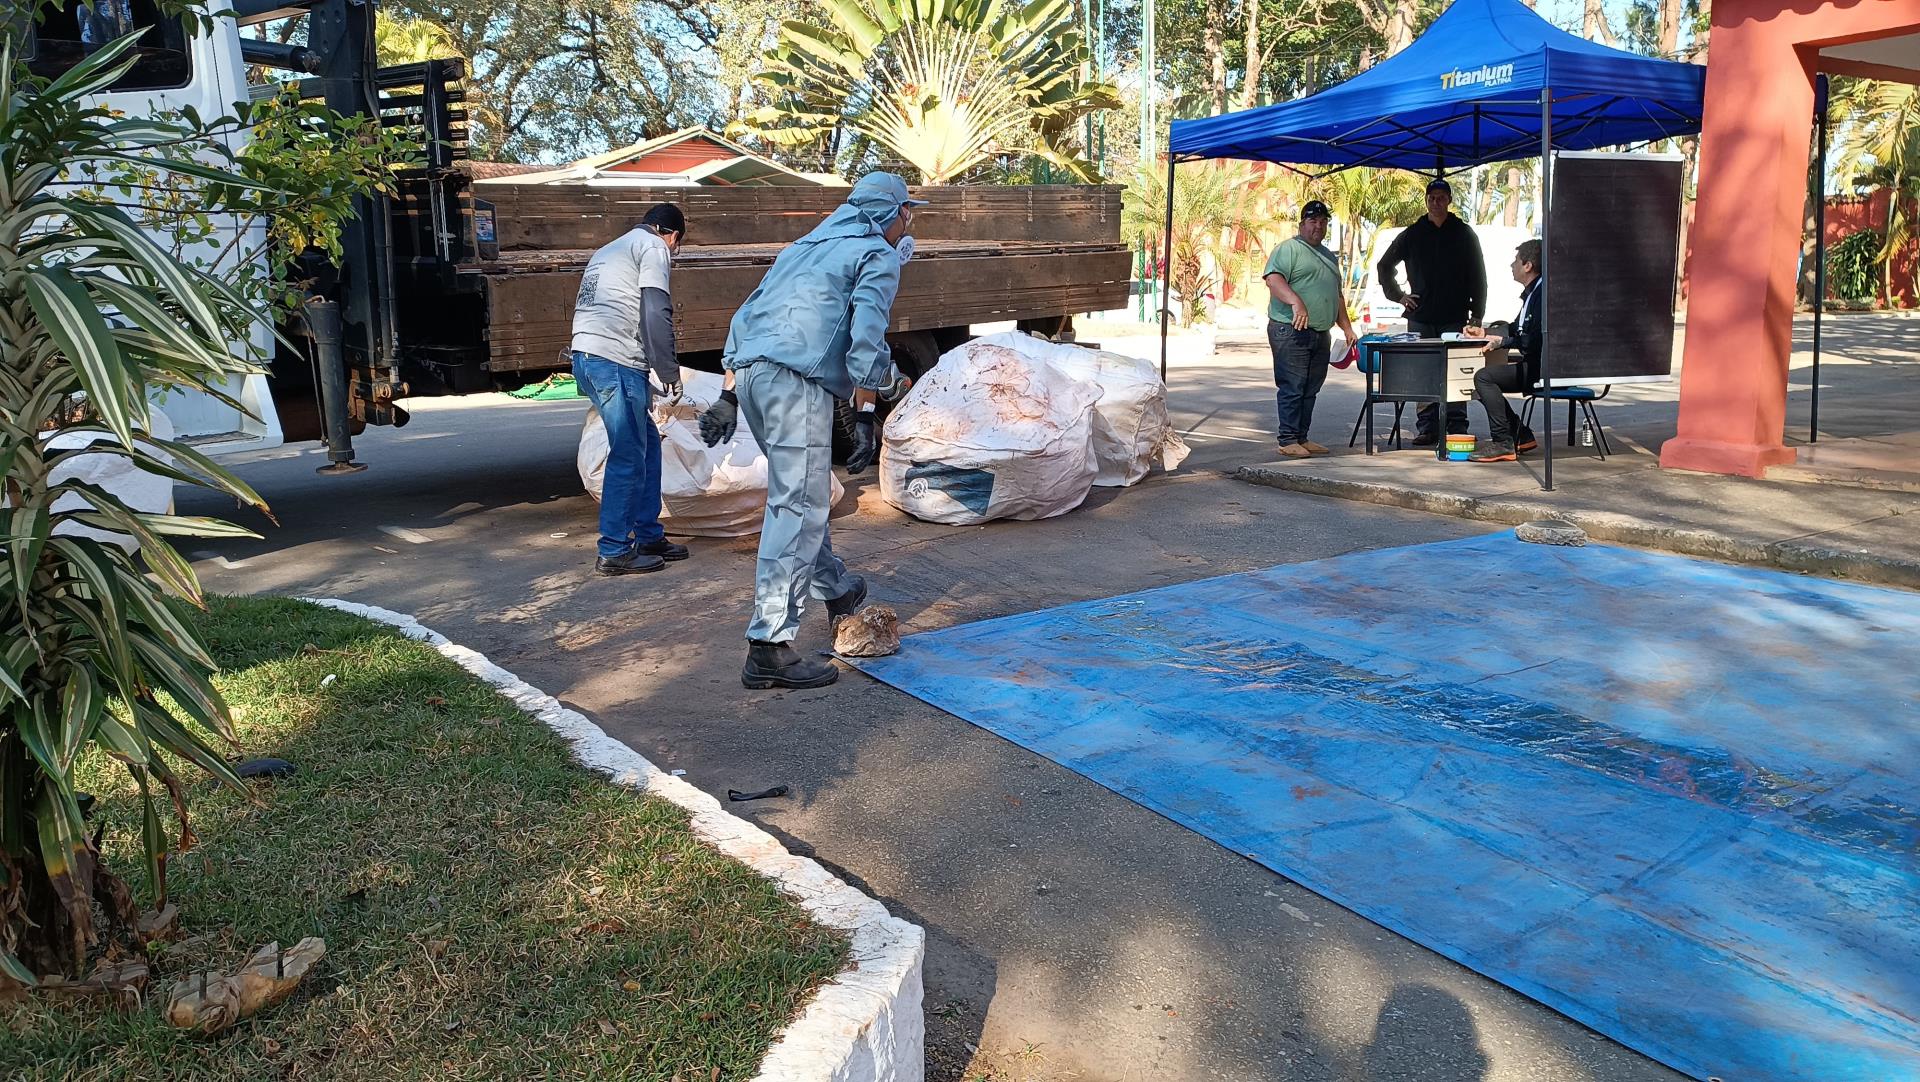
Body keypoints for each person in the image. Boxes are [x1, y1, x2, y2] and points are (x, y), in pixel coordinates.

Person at [713, 172, 920, 689]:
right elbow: (866, 344)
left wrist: (728, 394)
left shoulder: (800, 249)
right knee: (798, 506)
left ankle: (837, 589)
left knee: (798, 496)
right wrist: (885, 392)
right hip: (795, 384)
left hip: (755, 378)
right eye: (906, 212)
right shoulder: (877, 253)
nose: (908, 221)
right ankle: (769, 646)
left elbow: (744, 319)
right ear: (886, 213)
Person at [570, 203, 688, 575]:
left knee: (647, 444)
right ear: (671, 234)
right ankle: (615, 549)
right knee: (628, 453)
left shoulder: (610, 249)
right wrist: (669, 369)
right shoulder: (653, 247)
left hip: (589, 356)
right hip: (613, 360)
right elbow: (655, 310)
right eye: (677, 244)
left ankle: (648, 534)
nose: (674, 251)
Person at [1375, 177, 1485, 445]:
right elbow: (1384, 266)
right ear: (1426, 201)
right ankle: (1428, 427)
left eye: (1441, 198)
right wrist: (1399, 296)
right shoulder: (1412, 234)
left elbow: (1478, 275)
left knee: (1457, 372)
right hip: (1421, 318)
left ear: (1449, 201)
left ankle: (1456, 426)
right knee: (1424, 373)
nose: (1436, 203)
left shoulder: (1464, 233)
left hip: (1454, 317)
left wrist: (1477, 313)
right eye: (1432, 198)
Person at [1263, 199, 1358, 458]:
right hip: (1290, 329)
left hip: (1320, 332)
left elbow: (1336, 295)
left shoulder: (1329, 256)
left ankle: (1301, 436)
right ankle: (1287, 438)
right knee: (1293, 385)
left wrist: (1347, 328)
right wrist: (1296, 302)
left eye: (1323, 221)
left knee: (1311, 387)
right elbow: (1273, 279)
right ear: (1302, 224)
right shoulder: (1289, 249)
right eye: (1313, 221)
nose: (1318, 226)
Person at [1462, 239, 1544, 463]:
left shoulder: (1542, 295)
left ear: (1527, 266)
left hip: (1544, 368)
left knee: (1483, 377)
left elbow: (1532, 339)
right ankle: (1521, 434)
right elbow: (1516, 327)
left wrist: (1502, 343)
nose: (1511, 265)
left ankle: (1502, 442)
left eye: (1515, 260)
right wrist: (1484, 332)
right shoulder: (1533, 292)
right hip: (1536, 364)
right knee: (1481, 379)